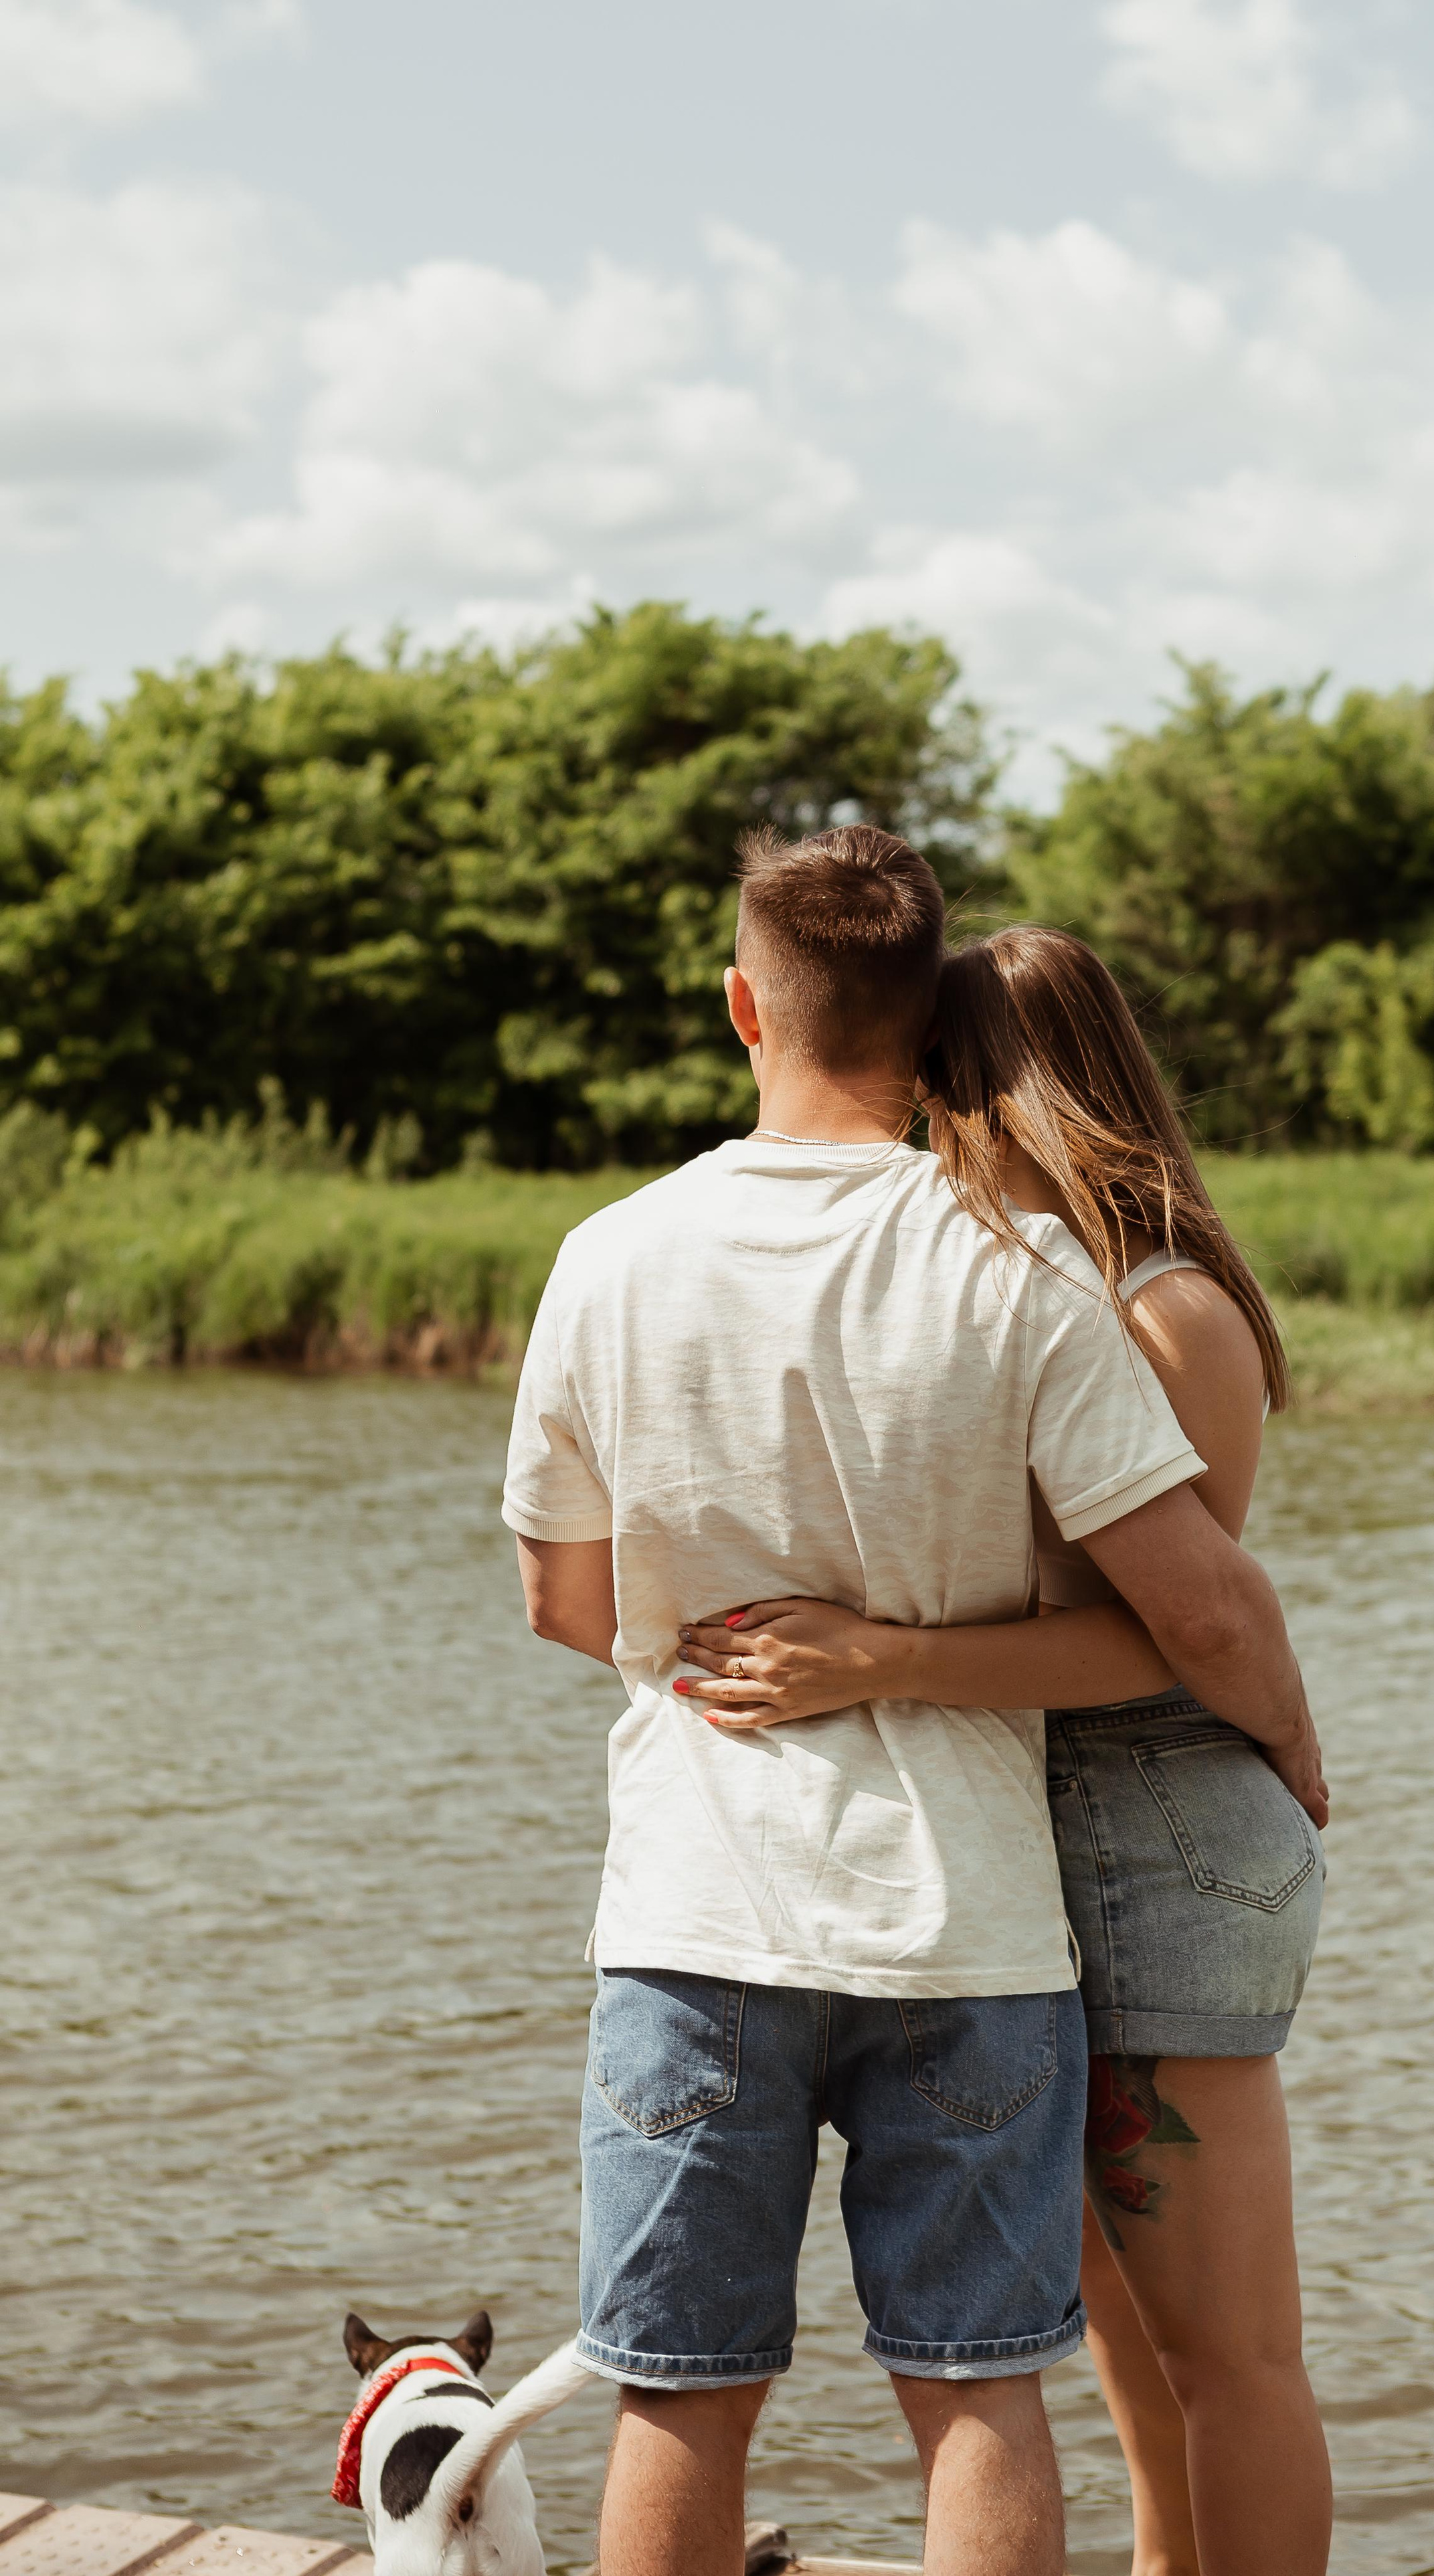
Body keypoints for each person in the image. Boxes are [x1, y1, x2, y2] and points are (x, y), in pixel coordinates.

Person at [503, 831, 1324, 2576]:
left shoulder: (609, 1253)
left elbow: (564, 1599)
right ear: (927, 1019)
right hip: (966, 1923)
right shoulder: (1027, 1277)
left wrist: (724, 1655)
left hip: (693, 1903)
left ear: (744, 1003)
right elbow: (1176, 1615)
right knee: (980, 2397)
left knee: (675, 2394)